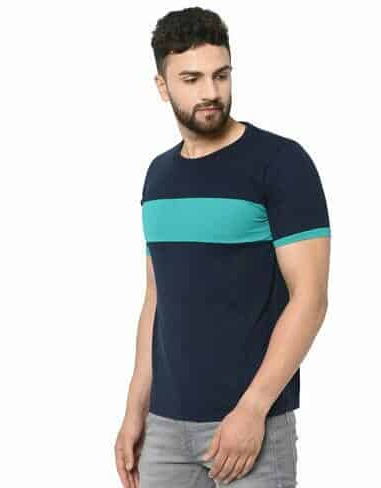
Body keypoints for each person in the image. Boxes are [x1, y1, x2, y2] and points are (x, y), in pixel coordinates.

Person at [115, 6, 331, 487]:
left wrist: (253, 409)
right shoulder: (158, 176)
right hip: (164, 427)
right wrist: (135, 408)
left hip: (251, 425)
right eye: (191, 79)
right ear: (162, 86)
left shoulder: (281, 163)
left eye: (221, 75)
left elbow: (310, 298)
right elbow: (157, 298)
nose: (210, 92)